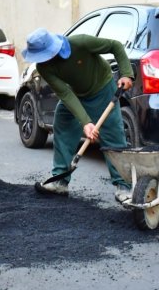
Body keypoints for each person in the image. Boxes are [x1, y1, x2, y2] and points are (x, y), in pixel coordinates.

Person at [23, 28, 135, 200]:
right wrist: (85, 122)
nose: (42, 60)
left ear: (53, 49)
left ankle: (124, 185)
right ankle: (60, 181)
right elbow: (65, 94)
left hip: (102, 90)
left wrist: (127, 74)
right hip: (76, 94)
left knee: (112, 135)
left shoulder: (80, 43)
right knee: (63, 122)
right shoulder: (43, 67)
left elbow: (115, 46)